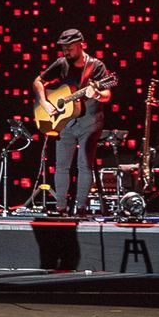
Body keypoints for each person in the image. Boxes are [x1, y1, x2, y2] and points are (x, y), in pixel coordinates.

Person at [32, 28, 112, 216]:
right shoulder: (61, 63)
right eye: (64, 49)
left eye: (69, 48)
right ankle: (61, 208)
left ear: (81, 45)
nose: (66, 52)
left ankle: (81, 208)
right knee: (62, 165)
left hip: (90, 121)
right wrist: (44, 102)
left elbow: (107, 95)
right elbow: (38, 81)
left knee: (85, 164)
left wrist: (98, 93)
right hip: (66, 121)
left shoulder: (96, 66)